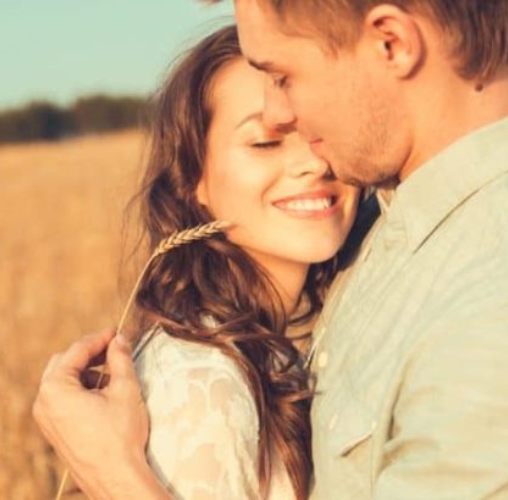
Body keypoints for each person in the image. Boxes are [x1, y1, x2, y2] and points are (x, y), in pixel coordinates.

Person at [35, 1, 508, 498]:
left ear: (391, 43)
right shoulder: (390, 222)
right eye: (264, 137)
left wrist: (118, 477)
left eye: (285, 75)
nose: (277, 109)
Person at [35, 25, 367, 499]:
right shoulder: (203, 384)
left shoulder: (261, 351)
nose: (313, 164)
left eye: (319, 134)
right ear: (196, 180)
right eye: (265, 142)